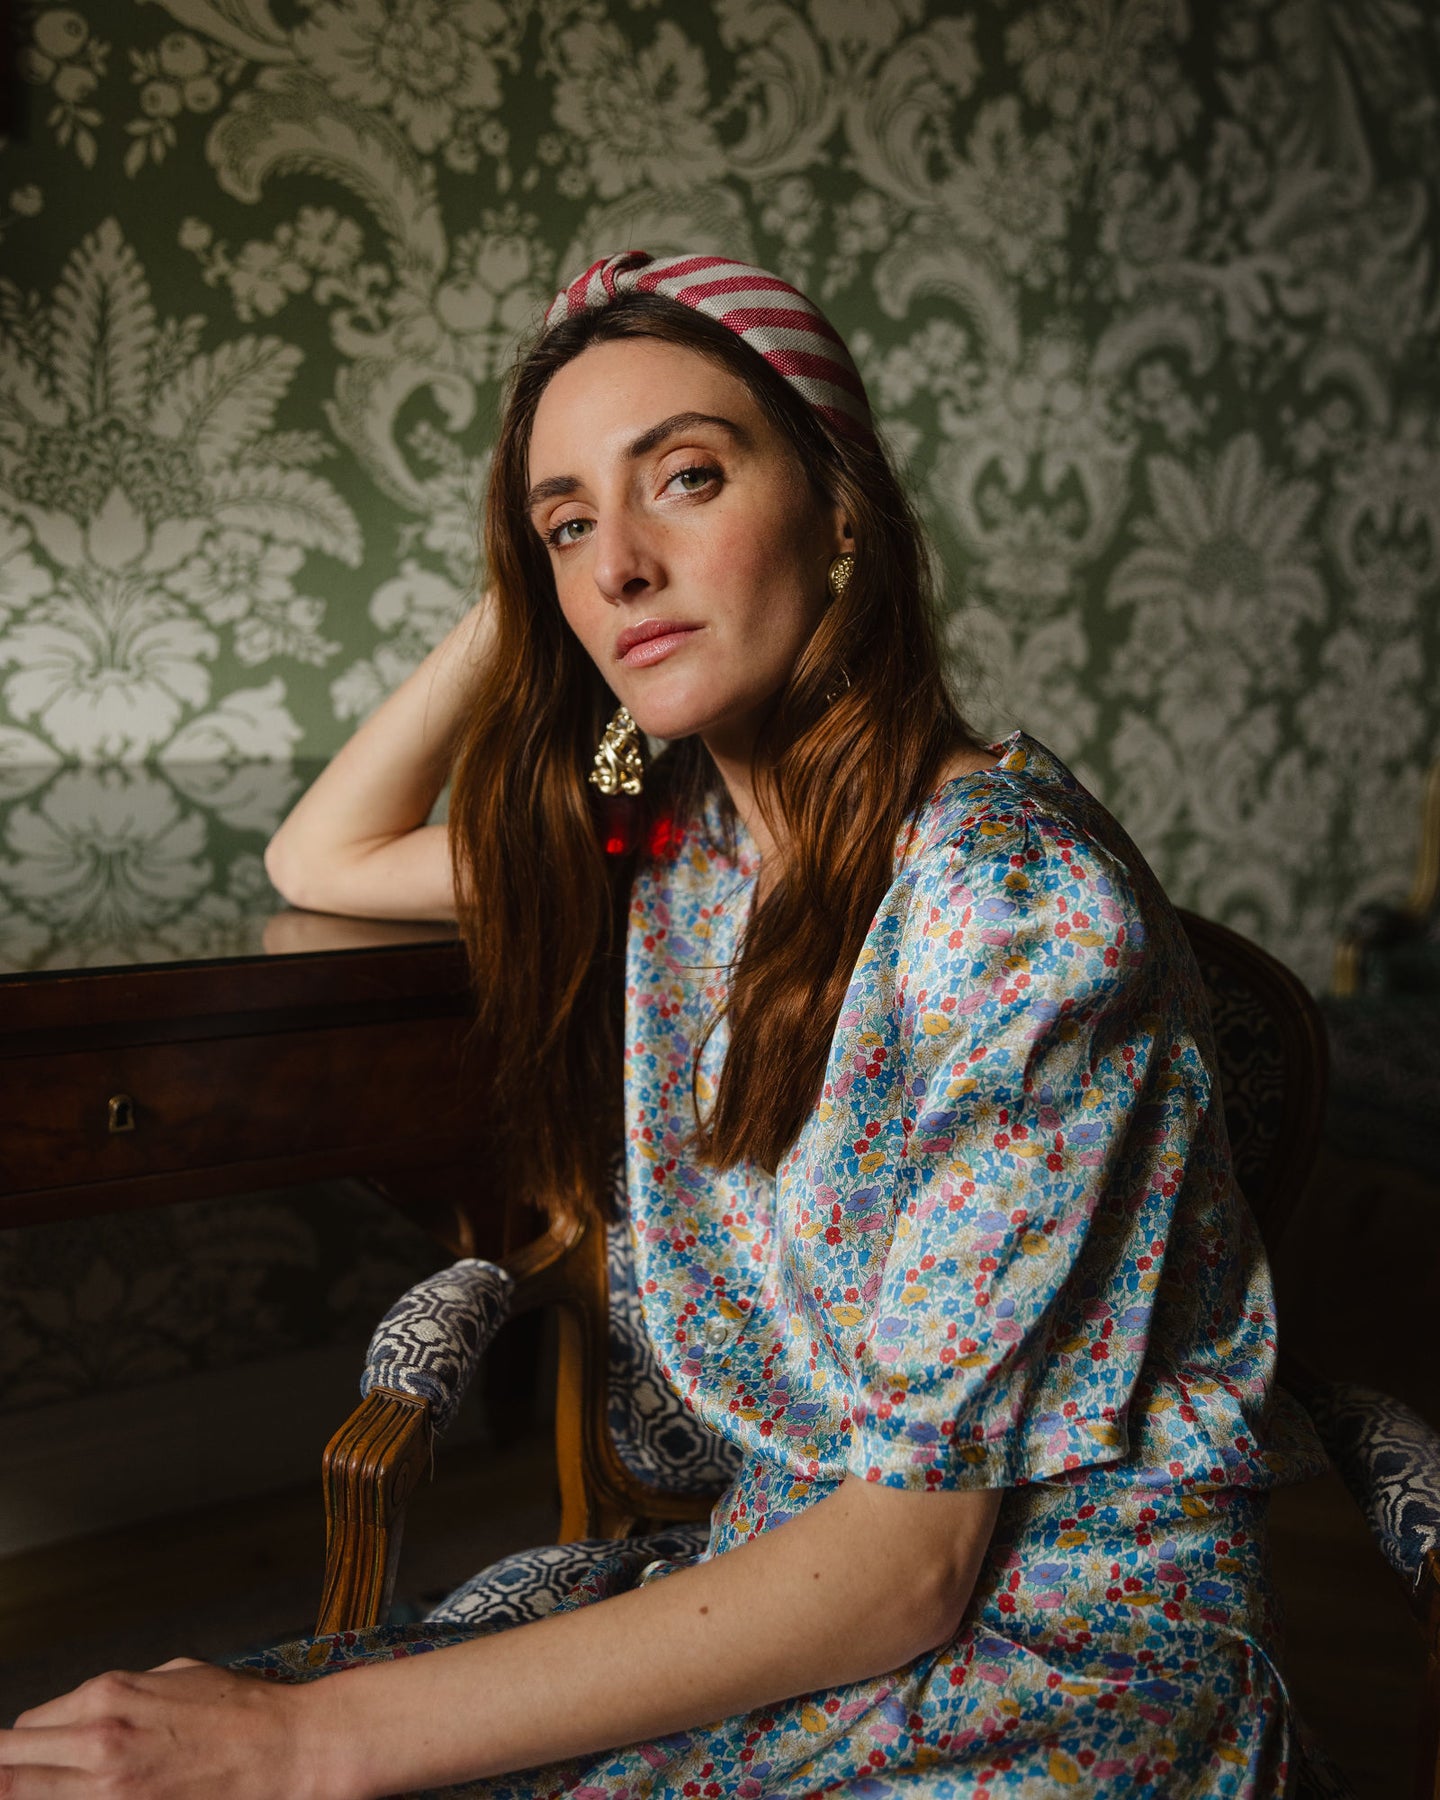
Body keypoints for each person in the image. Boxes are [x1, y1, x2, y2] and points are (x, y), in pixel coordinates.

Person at [0, 252, 1325, 1798]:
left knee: (276, 1749)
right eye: (569, 522)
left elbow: (909, 1568)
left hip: (1054, 1662)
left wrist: (311, 1742)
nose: (621, 564)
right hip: (796, 1579)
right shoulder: (676, 834)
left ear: (842, 511)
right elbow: (327, 857)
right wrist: (538, 588)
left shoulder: (1013, 912)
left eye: (686, 478)